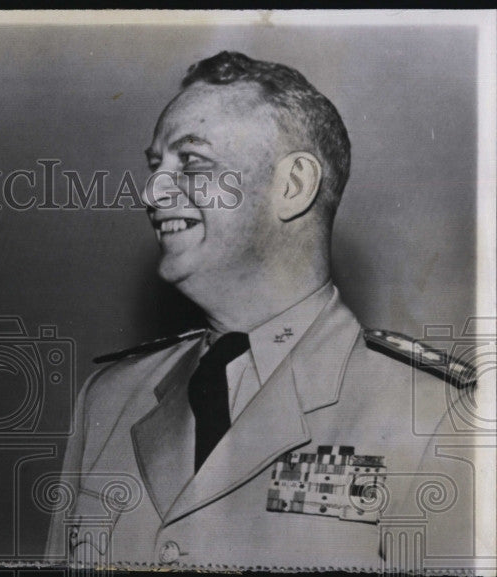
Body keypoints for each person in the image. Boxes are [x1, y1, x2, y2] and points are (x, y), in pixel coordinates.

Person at [45, 51, 476, 571]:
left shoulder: (435, 416)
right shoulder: (110, 400)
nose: (151, 192)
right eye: (155, 165)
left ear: (292, 187)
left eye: (192, 162)